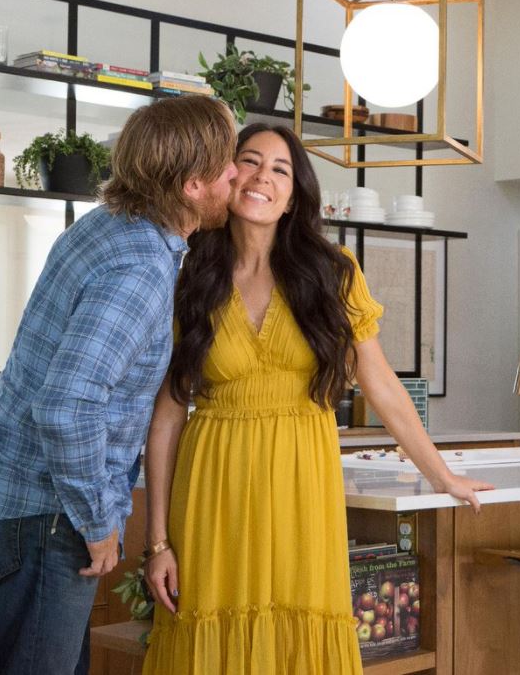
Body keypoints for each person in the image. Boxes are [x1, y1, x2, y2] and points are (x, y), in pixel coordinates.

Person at [141, 123, 493, 674]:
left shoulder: (332, 273)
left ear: (294, 194)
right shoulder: (191, 276)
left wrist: (441, 475)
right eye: (251, 162)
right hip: (213, 491)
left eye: (280, 170)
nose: (263, 178)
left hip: (301, 484)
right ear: (227, 178)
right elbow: (165, 419)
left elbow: (381, 385)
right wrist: (158, 542)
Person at [0, 95, 238, 675]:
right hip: (48, 517)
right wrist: (97, 522)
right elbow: (66, 407)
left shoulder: (110, 226)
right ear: (191, 185)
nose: (238, 174)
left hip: (11, 505)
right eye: (228, 164)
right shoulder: (140, 268)